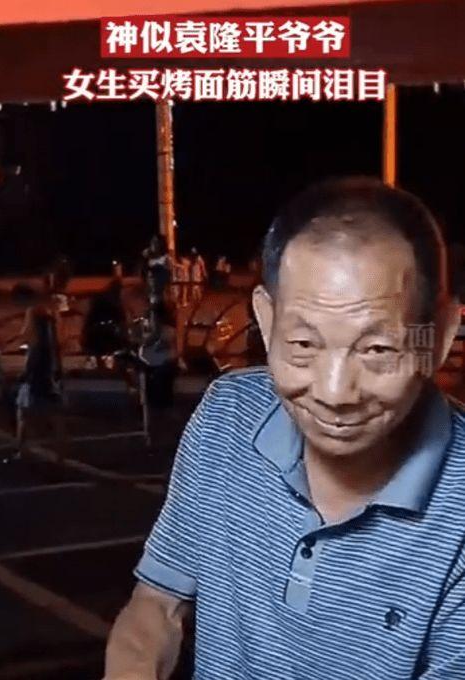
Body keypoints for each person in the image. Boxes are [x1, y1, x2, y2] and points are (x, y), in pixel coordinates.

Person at [105, 177, 465, 680]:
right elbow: (157, 606)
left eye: (377, 350)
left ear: (441, 336)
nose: (335, 393)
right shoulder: (228, 417)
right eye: (303, 346)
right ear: (266, 320)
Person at [5, 305, 66, 463]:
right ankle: (60, 454)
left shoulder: (36, 342)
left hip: (36, 381)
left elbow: (32, 363)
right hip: (50, 380)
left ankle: (20, 450)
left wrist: (23, 376)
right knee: (55, 417)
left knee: (22, 414)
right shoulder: (51, 336)